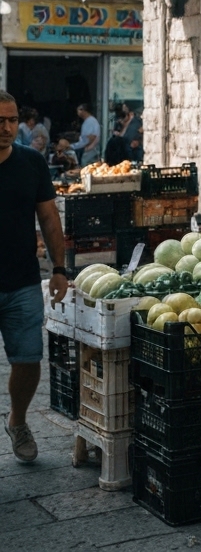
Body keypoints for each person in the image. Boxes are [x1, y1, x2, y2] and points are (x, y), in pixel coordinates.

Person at [0, 91, 68, 462]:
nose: (7, 128)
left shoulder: (31, 163)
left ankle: (18, 420)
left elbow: (48, 218)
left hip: (23, 280)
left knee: (28, 361)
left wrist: (59, 269)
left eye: (11, 120)